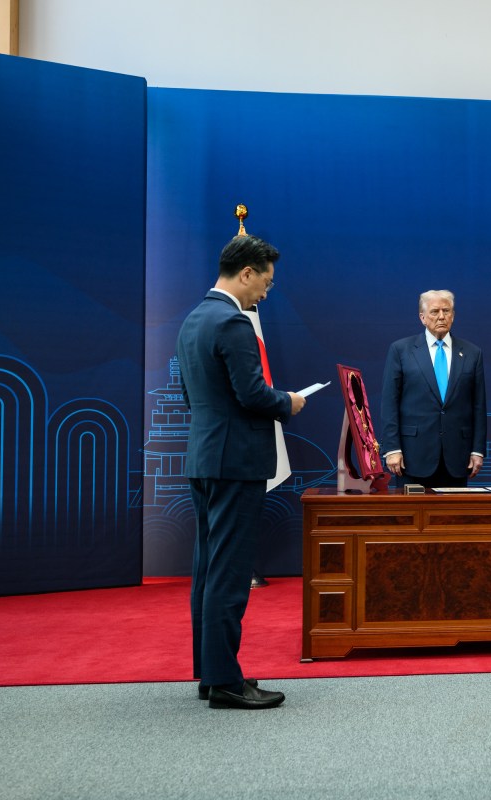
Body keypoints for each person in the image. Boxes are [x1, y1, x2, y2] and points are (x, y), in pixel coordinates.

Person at [176, 234, 305, 709]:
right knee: (229, 573)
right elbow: (253, 395)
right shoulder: (233, 322)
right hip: (236, 463)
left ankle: (211, 673)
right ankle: (228, 682)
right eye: (266, 282)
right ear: (246, 273)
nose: (266, 293)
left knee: (208, 569)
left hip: (206, 458)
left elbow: (196, 398)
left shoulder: (193, 319)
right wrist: (289, 402)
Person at [379, 290, 487, 489]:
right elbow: (389, 403)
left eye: (446, 311)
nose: (441, 316)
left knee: (451, 519)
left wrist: (477, 451)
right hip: (411, 458)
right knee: (411, 518)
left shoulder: (472, 353)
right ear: (422, 317)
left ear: (453, 316)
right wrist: (392, 448)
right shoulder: (401, 350)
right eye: (434, 311)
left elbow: (478, 406)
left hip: (457, 458)